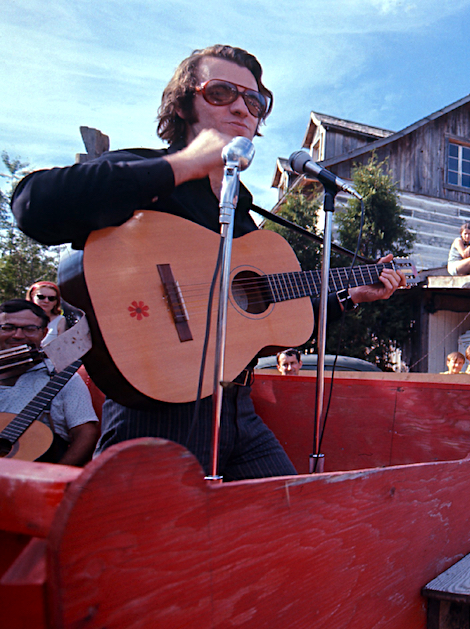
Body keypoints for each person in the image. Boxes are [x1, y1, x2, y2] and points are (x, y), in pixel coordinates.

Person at [12, 45, 403, 480]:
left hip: (238, 411)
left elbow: (263, 318)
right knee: (155, 546)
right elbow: (33, 205)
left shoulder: (243, 209)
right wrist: (184, 164)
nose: (241, 106)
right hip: (157, 413)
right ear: (183, 105)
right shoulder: (146, 168)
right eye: (221, 92)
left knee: (283, 524)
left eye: (254, 101)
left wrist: (349, 297)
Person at [0, 300, 99, 466]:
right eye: (8, 328)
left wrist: (55, 478)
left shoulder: (61, 377)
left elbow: (85, 432)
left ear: (44, 333)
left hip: (33, 477)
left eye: (29, 329)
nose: (17, 335)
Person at [25, 281, 67, 346]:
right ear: (32, 297)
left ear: (56, 302)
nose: (46, 301)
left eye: (51, 298)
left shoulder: (60, 320)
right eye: (41, 297)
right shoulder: (22, 318)